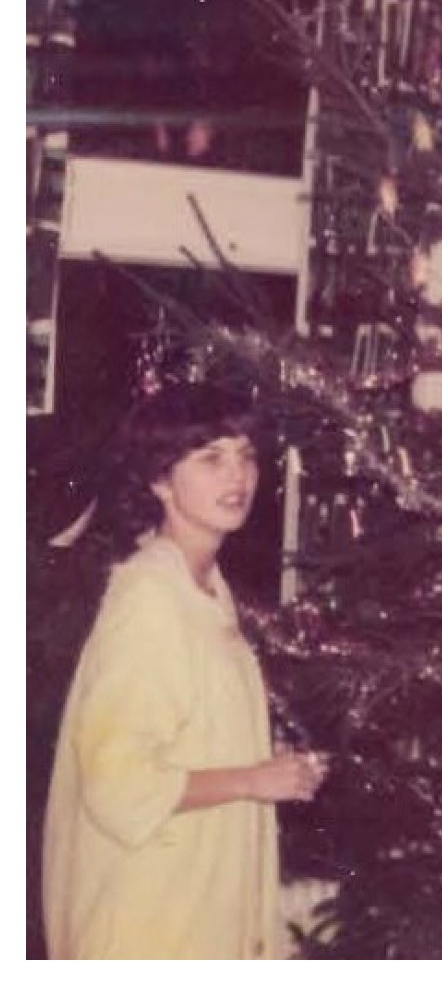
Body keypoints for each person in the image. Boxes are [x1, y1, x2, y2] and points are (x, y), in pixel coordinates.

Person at [42, 381, 328, 959]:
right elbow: (118, 784)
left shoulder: (202, 589)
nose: (239, 476)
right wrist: (253, 779)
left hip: (192, 902)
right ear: (160, 480)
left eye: (247, 456)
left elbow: (179, 730)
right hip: (149, 916)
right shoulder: (150, 599)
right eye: (212, 458)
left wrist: (258, 756)